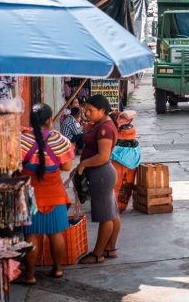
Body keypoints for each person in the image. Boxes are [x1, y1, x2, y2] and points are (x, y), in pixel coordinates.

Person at [17, 104, 74, 284]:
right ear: (50, 120)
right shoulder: (61, 140)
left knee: (31, 236)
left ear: (31, 120)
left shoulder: (21, 140)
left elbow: (15, 167)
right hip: (55, 193)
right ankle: (57, 269)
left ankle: (31, 275)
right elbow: (66, 166)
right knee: (56, 234)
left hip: (29, 194)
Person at [76, 95, 121, 264]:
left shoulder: (105, 129)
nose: (87, 113)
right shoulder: (101, 124)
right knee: (112, 213)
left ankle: (97, 254)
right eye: (85, 109)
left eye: (90, 110)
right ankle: (110, 249)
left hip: (101, 174)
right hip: (102, 173)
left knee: (105, 217)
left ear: (102, 111)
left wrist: (83, 164)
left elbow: (102, 156)